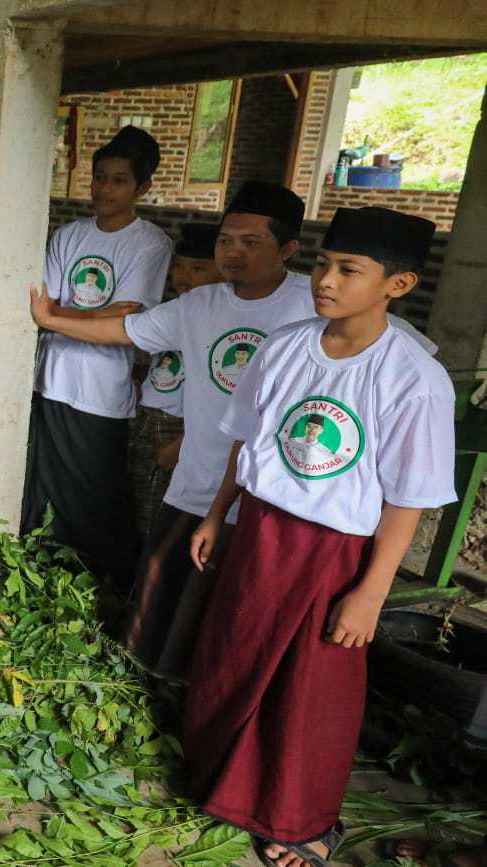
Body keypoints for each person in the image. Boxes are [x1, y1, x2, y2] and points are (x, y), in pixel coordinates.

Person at [185, 206, 455, 867]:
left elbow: (405, 500)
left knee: (310, 687)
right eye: (322, 264)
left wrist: (368, 592)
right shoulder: (283, 346)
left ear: (397, 284)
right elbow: (247, 438)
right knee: (234, 656)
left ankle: (297, 816)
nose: (324, 280)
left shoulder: (412, 379)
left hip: (331, 550)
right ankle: (220, 782)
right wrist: (216, 514)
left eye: (348, 269)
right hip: (261, 531)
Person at [31, 180, 319, 676]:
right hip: (195, 479)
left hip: (264, 490)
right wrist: (51, 320)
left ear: (288, 248)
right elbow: (126, 330)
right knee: (161, 582)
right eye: (226, 240)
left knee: (231, 607)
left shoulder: (311, 305)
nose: (232, 252)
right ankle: (148, 681)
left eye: (251, 243)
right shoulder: (201, 304)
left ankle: (198, 686)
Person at [21, 125, 172, 589]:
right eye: (99, 177)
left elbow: (127, 325)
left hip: (101, 388)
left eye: (119, 180)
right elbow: (40, 305)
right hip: (52, 377)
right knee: (43, 486)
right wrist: (88, 315)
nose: (104, 189)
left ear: (142, 188)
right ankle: (42, 570)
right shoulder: (68, 235)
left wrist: (57, 317)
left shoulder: (149, 244)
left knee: (95, 488)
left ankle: (96, 581)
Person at [127, 222, 221, 541]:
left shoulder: (220, 320)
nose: (183, 276)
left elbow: (218, 404)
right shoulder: (172, 311)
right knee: (136, 508)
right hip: (144, 420)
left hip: (177, 429)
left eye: (198, 268)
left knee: (160, 518)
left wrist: (182, 444)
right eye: (179, 266)